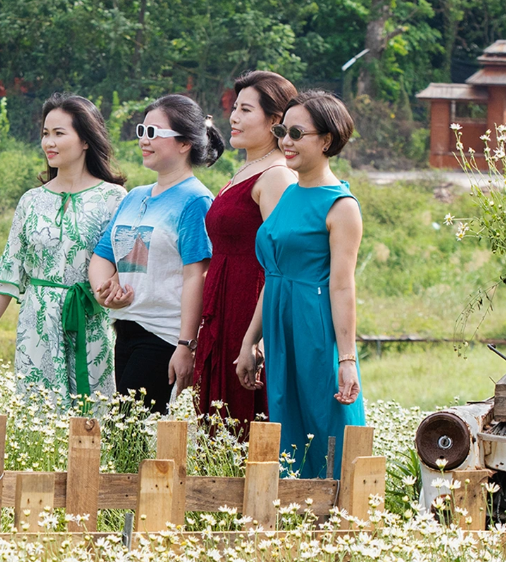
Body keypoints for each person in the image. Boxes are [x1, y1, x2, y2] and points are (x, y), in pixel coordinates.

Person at [0, 93, 126, 409]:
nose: (49, 142)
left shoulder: (114, 198)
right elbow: (8, 273)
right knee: (39, 419)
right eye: (45, 133)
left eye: (59, 133)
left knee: (94, 418)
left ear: (85, 140)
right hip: (36, 326)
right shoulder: (31, 201)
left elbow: (127, 269)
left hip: (91, 323)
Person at [235, 90, 364, 479]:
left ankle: (340, 517)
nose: (285, 141)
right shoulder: (288, 194)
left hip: (315, 326)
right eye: (281, 131)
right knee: (287, 425)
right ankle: (293, 518)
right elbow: (274, 274)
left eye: (296, 133)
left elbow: (342, 287)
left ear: (326, 140)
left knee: (325, 422)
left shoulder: (341, 206)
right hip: (279, 325)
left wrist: (347, 360)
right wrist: (249, 340)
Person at [88, 94, 223, 415]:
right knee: (123, 431)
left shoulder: (195, 200)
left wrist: (186, 345)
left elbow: (197, 275)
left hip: (163, 335)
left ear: (184, 144)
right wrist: (106, 291)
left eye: (154, 133)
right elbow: (103, 255)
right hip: (125, 328)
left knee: (129, 429)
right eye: (141, 131)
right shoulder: (135, 197)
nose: (143, 141)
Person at [193, 71, 297, 435]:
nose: (233, 118)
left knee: (245, 422)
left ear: (275, 121)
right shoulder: (245, 169)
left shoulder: (276, 176)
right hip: (221, 305)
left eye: (246, 110)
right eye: (234, 108)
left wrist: (260, 337)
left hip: (248, 305)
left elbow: (281, 263)